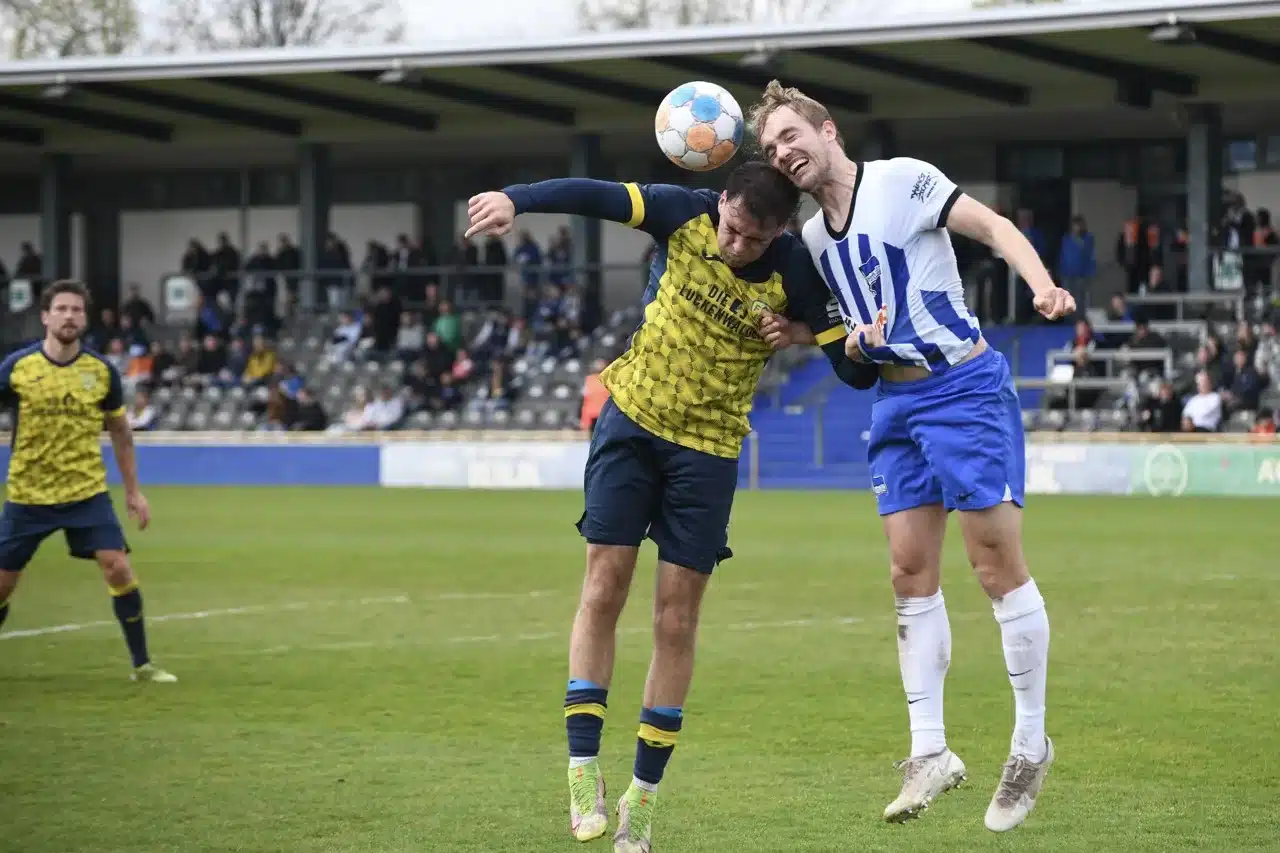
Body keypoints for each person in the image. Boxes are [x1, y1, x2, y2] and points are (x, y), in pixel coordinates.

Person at [465, 161, 875, 853]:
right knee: (602, 587)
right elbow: (593, 195)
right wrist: (515, 199)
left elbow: (855, 370)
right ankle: (581, 769)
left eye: (751, 238)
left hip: (708, 453)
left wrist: (812, 334)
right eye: (730, 227)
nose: (734, 244)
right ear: (720, 203)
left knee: (675, 618)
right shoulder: (681, 212)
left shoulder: (798, 272)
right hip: (631, 421)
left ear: (780, 232)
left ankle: (642, 801)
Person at [752, 81, 1074, 833]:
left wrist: (1043, 285)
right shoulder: (811, 241)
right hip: (894, 404)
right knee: (907, 570)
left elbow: (992, 226)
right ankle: (930, 750)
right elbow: (850, 326)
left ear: (828, 130)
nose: (784, 153)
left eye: (792, 136)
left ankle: (1031, 739)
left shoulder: (902, 180)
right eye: (771, 149)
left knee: (995, 566)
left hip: (960, 386)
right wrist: (808, 337)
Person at [0, 280, 176, 683]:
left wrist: (133, 491)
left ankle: (143, 665)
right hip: (27, 495)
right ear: (45, 317)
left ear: (85, 318)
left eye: (76, 310)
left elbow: (120, 432)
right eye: (61, 309)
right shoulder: (18, 368)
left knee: (117, 567)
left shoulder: (100, 372)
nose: (68, 316)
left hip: (86, 494)